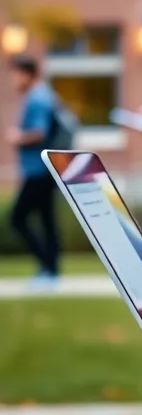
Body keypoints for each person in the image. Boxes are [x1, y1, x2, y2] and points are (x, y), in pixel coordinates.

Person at [6, 56, 62, 283]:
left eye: (16, 75)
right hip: (46, 169)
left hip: (39, 171)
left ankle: (47, 266)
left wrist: (18, 137)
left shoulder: (37, 98)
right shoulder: (46, 94)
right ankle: (51, 270)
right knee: (47, 220)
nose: (13, 80)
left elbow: (39, 132)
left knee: (17, 217)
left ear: (27, 74)